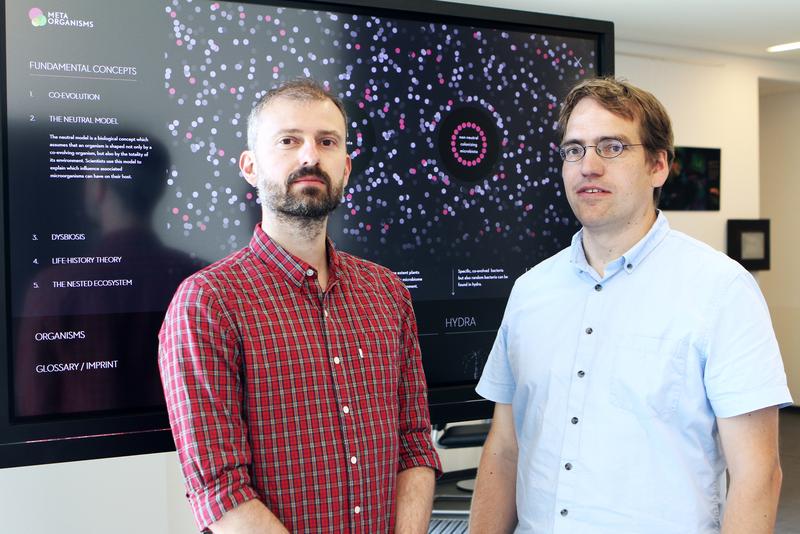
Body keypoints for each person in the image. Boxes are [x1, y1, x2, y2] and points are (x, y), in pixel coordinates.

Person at [470, 77, 792, 533]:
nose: (589, 166)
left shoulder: (721, 290)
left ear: (658, 165)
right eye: (574, 149)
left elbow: (758, 474)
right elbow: (504, 449)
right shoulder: (530, 292)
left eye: (613, 147)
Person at [159, 79, 441, 533]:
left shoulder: (388, 293)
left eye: (326, 142)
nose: (310, 156)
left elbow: (414, 446)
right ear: (250, 167)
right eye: (288, 141)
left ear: (346, 167)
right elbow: (220, 488)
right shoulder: (207, 302)